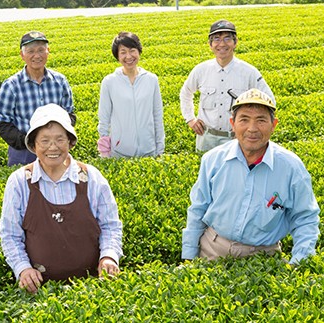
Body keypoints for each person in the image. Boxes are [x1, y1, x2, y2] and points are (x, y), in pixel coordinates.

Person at [182, 88, 320, 265]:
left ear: (274, 125)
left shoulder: (291, 167)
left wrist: (299, 262)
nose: (252, 128)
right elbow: (198, 209)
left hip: (263, 256)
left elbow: (305, 218)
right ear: (233, 124)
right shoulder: (213, 160)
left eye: (261, 120)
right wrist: (189, 256)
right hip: (213, 249)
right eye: (244, 119)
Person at [0, 103, 123, 294]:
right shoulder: (19, 182)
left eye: (59, 139)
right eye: (45, 141)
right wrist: (23, 268)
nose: (53, 147)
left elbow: (110, 225)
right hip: (40, 290)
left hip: (91, 287)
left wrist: (108, 257)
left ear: (70, 142)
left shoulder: (92, 177)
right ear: (33, 145)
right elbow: (10, 235)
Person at [180, 19, 276, 152]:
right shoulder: (201, 70)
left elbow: (269, 100)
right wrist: (190, 119)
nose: (222, 44)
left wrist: (248, 127)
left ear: (235, 42)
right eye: (216, 39)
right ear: (210, 44)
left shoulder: (249, 72)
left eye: (227, 38)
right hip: (206, 138)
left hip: (235, 140)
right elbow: (186, 93)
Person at [0, 31, 75, 167]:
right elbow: (3, 123)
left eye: (41, 50)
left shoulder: (60, 81)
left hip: (55, 149)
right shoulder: (11, 85)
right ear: (22, 55)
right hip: (23, 152)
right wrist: (28, 142)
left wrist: (58, 138)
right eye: (31, 51)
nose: (36, 55)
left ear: (48, 51)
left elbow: (70, 114)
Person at [97, 31, 165, 158]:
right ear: (117, 56)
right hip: (120, 152)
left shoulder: (151, 79)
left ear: (139, 52)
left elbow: (157, 115)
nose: (128, 56)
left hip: (148, 151)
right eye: (123, 52)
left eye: (132, 50)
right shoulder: (109, 82)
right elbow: (104, 118)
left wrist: (159, 149)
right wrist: (104, 152)